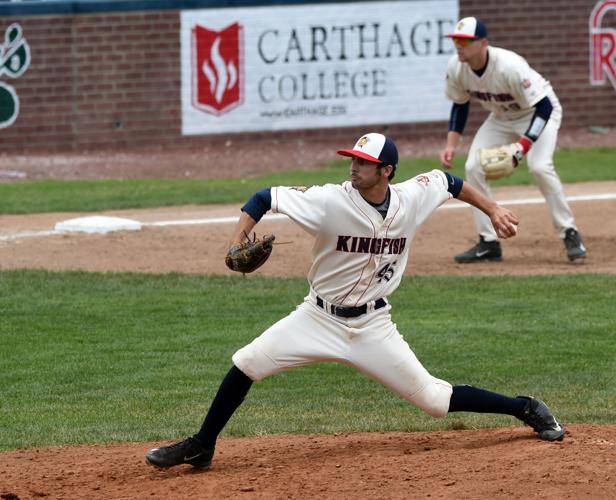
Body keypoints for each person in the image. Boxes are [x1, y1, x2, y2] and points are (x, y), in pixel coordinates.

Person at [145, 132, 564, 470]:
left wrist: (491, 208)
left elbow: (448, 181)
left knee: (434, 401)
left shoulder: (410, 197)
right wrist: (236, 239)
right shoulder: (329, 199)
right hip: (317, 318)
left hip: (372, 328)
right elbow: (263, 197)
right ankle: (202, 444)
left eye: (362, 162)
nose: (353, 166)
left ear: (386, 171)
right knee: (246, 363)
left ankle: (525, 407)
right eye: (352, 159)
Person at [440, 17, 586, 263]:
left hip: (537, 113)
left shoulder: (509, 65)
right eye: (456, 40)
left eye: (465, 40)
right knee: (473, 167)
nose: (459, 45)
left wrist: (523, 146)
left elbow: (545, 107)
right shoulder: (456, 67)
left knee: (539, 167)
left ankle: (569, 231)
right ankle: (488, 243)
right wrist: (451, 145)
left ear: (483, 43)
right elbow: (460, 105)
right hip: (501, 116)